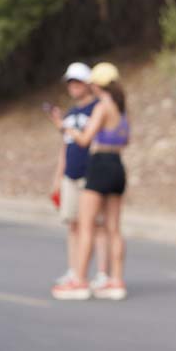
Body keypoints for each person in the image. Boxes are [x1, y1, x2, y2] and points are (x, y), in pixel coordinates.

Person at [52, 62, 129, 301]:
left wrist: (64, 127)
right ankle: (115, 280)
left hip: (100, 164)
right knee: (113, 227)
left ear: (96, 84)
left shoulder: (102, 107)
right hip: (117, 165)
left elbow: (85, 139)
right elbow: (126, 140)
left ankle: (80, 280)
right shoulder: (121, 109)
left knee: (86, 225)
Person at [46, 62, 109, 287]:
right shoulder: (71, 113)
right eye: (70, 82)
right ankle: (74, 271)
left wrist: (64, 127)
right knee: (72, 224)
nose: (73, 86)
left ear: (88, 84)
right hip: (70, 175)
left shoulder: (98, 109)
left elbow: (91, 140)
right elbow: (66, 146)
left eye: (78, 82)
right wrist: (58, 178)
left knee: (97, 225)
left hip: (90, 174)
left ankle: (102, 273)